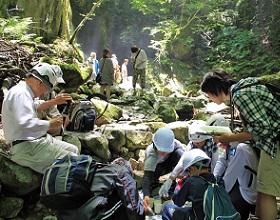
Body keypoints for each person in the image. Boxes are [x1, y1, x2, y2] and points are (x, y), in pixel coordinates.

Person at [200, 68, 280, 220]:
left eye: (208, 95)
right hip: (270, 143)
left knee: (268, 191)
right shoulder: (241, 90)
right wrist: (232, 139)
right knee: (262, 188)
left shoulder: (240, 95)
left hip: (275, 142)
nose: (209, 99)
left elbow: (263, 128)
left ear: (215, 90)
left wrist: (230, 138)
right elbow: (254, 127)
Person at [1, 62, 79, 174]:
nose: (45, 92)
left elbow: (34, 105)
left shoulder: (24, 92)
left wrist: (54, 102)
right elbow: (24, 123)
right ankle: (60, 188)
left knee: (74, 149)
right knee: (72, 159)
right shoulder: (21, 94)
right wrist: (50, 124)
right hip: (25, 147)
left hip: (33, 142)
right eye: (46, 88)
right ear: (39, 83)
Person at [159, 115, 226, 198]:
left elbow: (215, 162)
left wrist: (212, 179)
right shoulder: (191, 145)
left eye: (199, 142)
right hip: (193, 171)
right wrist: (170, 178)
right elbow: (182, 162)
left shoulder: (212, 143)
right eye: (195, 142)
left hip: (207, 170)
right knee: (181, 190)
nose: (197, 144)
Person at [58, 157, 145, 220]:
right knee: (126, 202)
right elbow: (134, 207)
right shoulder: (122, 172)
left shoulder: (98, 169)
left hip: (64, 215)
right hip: (86, 216)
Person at [161, 148, 217, 220]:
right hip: (214, 216)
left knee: (167, 207)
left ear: (192, 169)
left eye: (188, 171)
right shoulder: (217, 180)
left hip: (197, 217)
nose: (188, 174)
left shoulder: (191, 181)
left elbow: (178, 202)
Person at [142, 127, 185, 211]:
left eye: (166, 150)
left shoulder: (177, 145)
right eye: (161, 151)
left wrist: (172, 178)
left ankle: (173, 186)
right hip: (157, 167)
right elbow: (147, 176)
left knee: (179, 154)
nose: (164, 153)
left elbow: (185, 162)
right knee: (151, 183)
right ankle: (154, 187)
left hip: (172, 165)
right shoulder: (151, 152)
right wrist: (146, 195)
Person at [213, 142, 259, 220]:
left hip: (247, 195)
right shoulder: (234, 145)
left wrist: (216, 195)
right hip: (239, 185)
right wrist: (214, 178)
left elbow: (229, 179)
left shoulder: (241, 148)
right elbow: (223, 160)